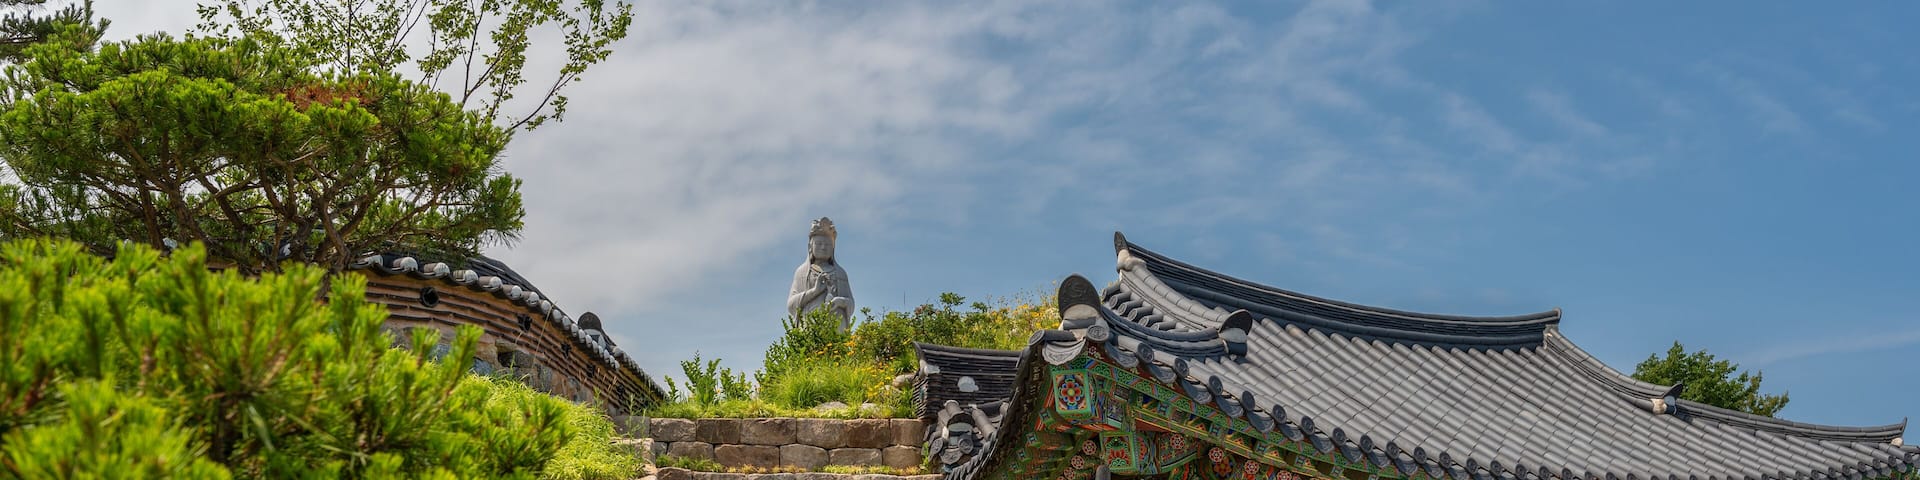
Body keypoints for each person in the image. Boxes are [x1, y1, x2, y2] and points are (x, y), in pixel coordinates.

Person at [786, 217, 854, 330]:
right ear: (810, 247)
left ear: (833, 248)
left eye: (828, 244)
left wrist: (841, 302)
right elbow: (791, 305)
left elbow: (851, 304)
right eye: (819, 243)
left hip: (836, 327)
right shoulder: (802, 272)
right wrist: (814, 291)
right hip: (810, 327)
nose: (823, 247)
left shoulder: (840, 273)